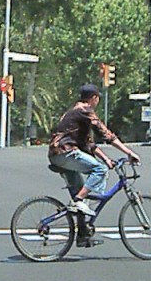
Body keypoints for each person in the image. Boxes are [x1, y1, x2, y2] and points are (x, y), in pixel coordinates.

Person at [49, 84, 141, 221]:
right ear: (94, 98)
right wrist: (129, 152)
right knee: (100, 170)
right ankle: (79, 201)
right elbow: (106, 134)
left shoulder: (74, 111)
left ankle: (83, 233)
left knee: (82, 197)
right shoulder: (85, 110)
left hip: (57, 154)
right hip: (65, 152)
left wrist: (106, 159)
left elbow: (89, 144)